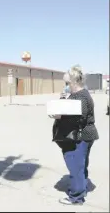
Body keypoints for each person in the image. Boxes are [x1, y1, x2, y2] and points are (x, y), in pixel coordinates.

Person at [50, 65, 99, 205]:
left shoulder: (81, 97)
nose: (65, 86)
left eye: (67, 84)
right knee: (81, 165)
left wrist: (59, 116)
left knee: (75, 166)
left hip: (79, 136)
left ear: (74, 82)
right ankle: (81, 188)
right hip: (83, 136)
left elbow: (79, 119)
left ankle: (76, 197)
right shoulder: (77, 95)